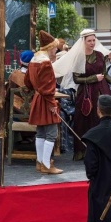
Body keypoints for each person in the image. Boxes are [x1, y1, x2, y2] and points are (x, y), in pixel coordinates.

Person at [70, 29, 111, 161]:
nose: (92, 43)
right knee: (84, 120)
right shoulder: (78, 57)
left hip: (102, 90)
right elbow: (76, 79)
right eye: (89, 40)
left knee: (108, 117)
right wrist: (93, 78)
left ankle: (106, 149)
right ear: (83, 41)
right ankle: (84, 150)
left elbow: (104, 74)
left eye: (94, 40)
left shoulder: (100, 55)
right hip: (86, 93)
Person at [24, 30, 63, 174]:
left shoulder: (34, 60)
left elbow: (27, 82)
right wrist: (52, 103)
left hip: (37, 98)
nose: (56, 50)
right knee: (52, 133)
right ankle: (47, 165)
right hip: (45, 100)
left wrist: (35, 90)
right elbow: (47, 88)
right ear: (49, 47)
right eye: (54, 47)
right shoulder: (45, 63)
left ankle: (40, 162)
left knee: (40, 132)